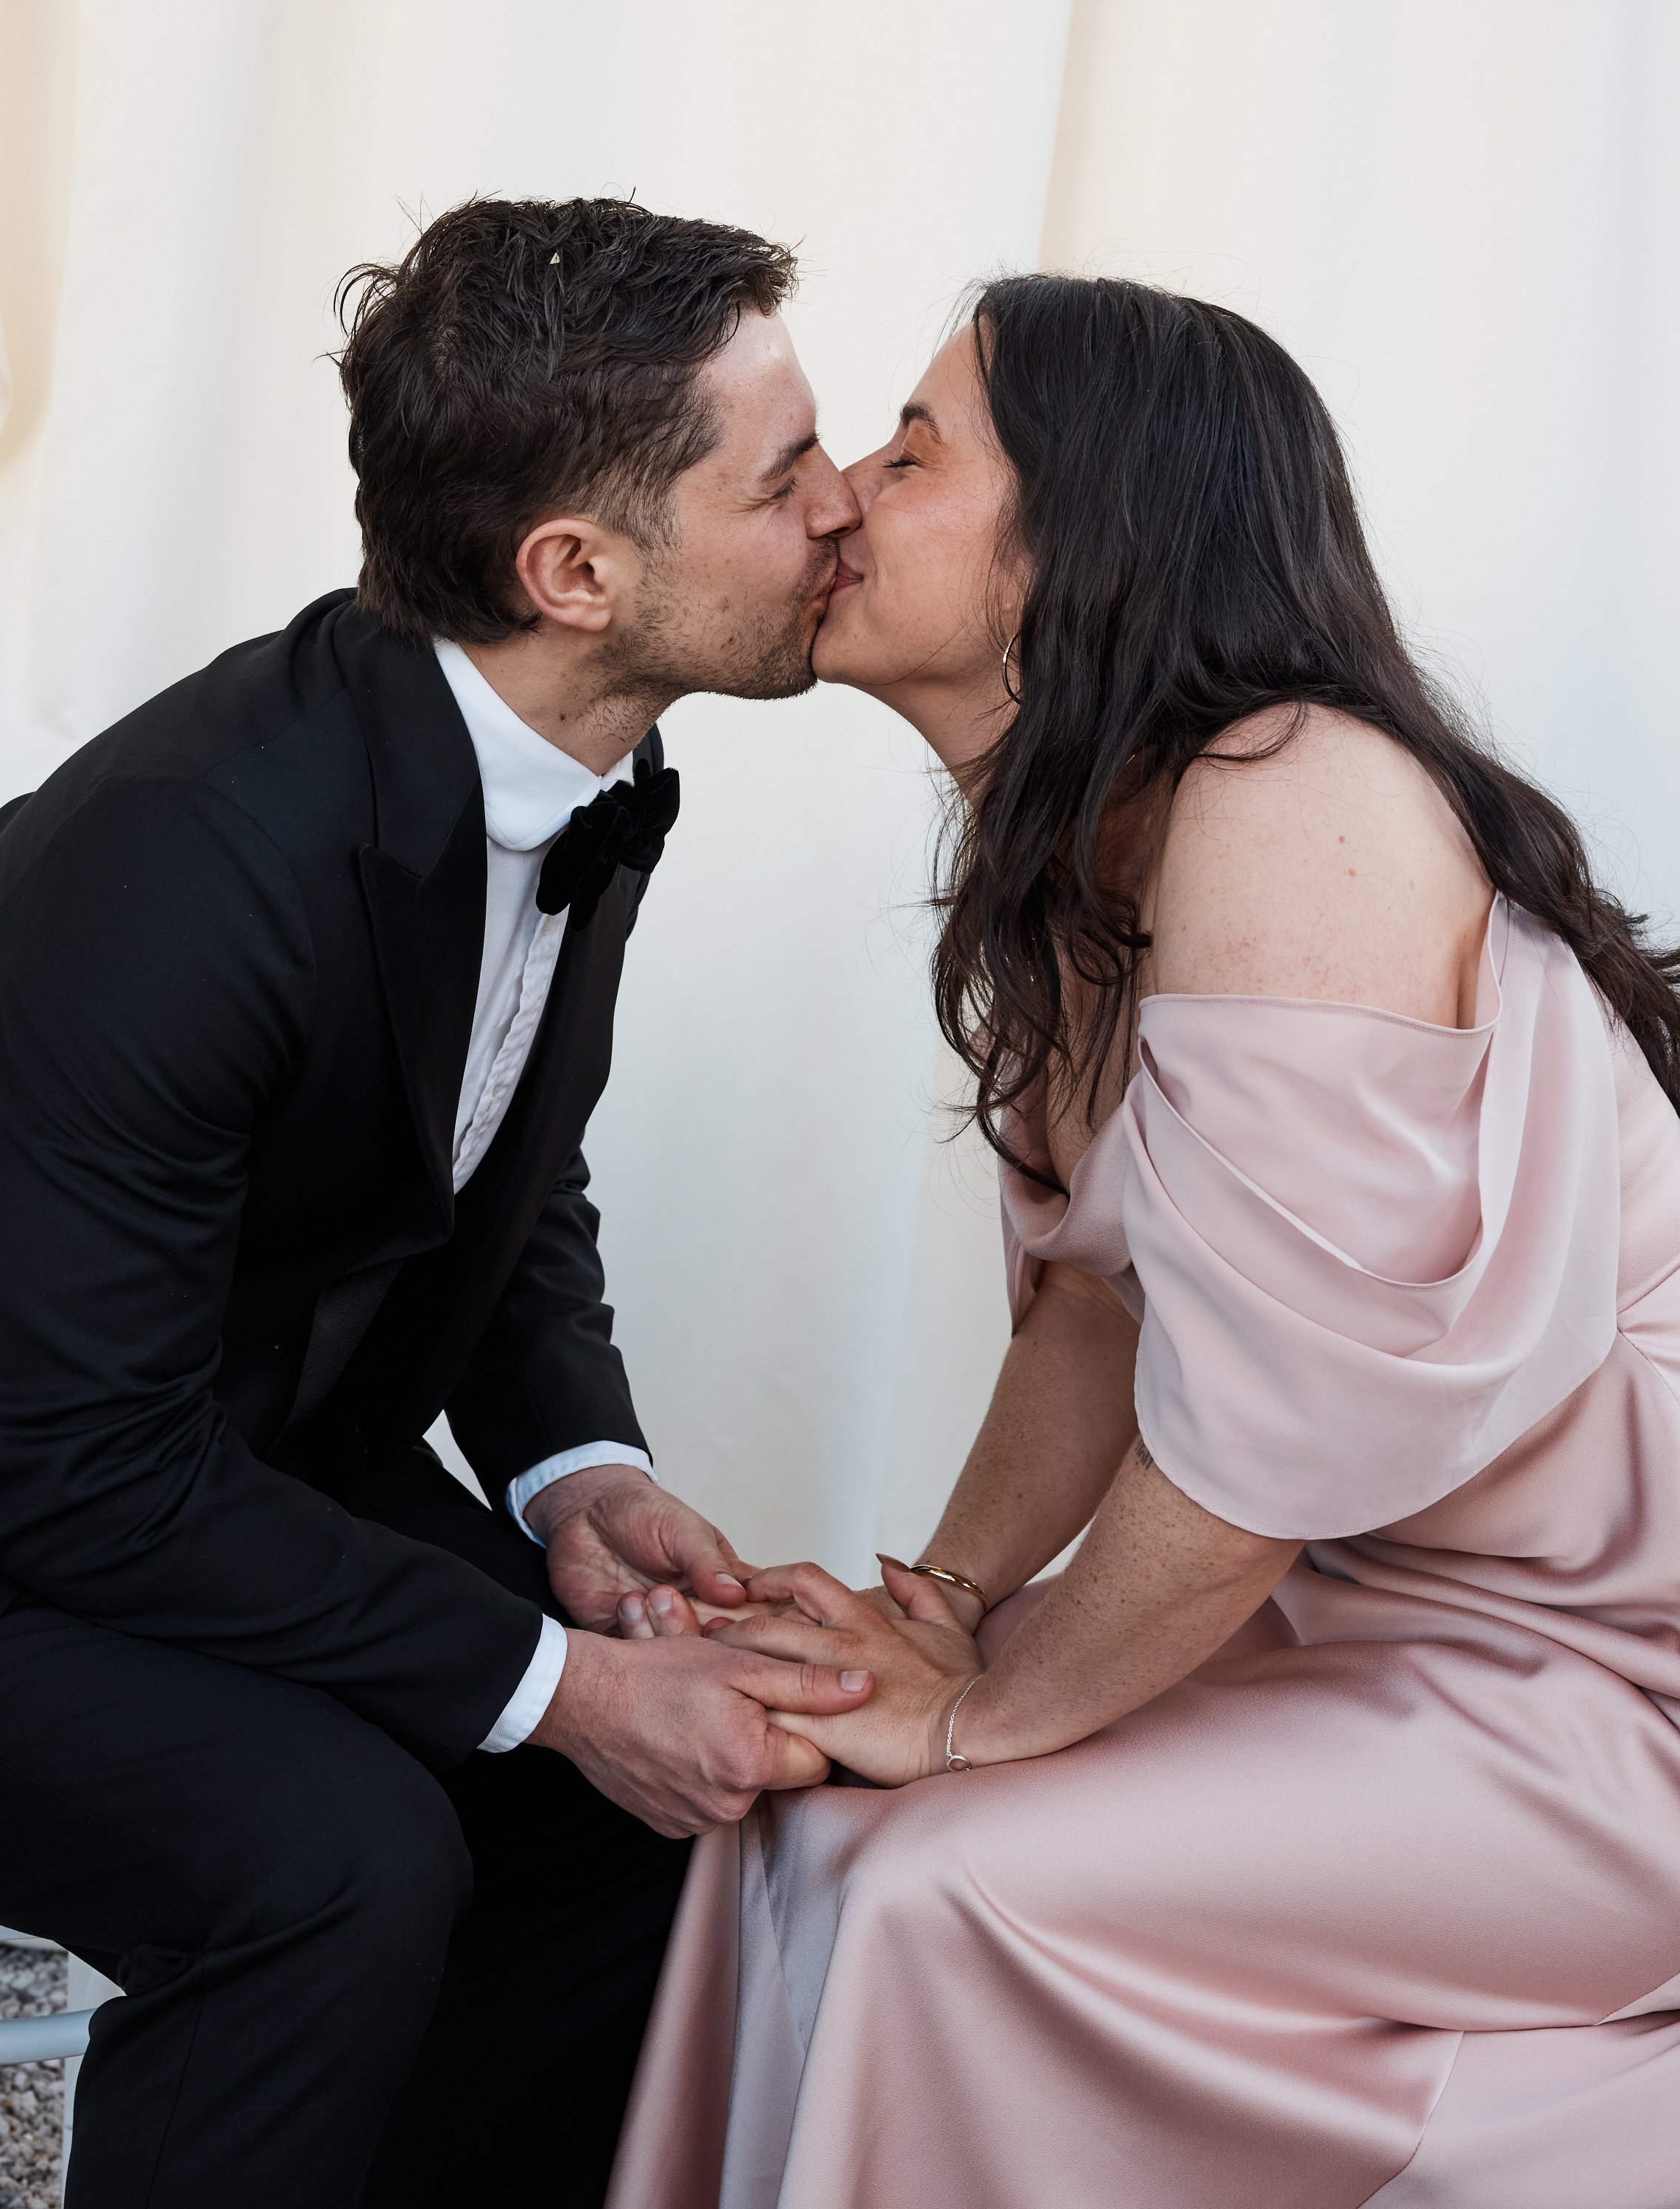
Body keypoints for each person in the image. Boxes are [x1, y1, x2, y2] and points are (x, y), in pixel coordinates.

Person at [604, 276, 1680, 2208]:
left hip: (1613, 1703)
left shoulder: (1295, 789)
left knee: (940, 1875)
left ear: (1086, 535)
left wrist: (991, 1711)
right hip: (1382, 1636)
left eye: (912, 453)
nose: (838, 495)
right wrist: (931, 1613)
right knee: (796, 1813)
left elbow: (1269, 1417)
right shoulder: (1083, 855)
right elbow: (1099, 1315)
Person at [0, 196, 875, 2209]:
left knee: (645, 1822)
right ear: (578, 570)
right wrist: (571, 1686)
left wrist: (574, 1475)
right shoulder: (184, 865)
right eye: (785, 472)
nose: (844, 506)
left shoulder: (554, 762)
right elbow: (79, 1472)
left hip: (207, 1472)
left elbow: (501, 1175)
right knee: (339, 1854)